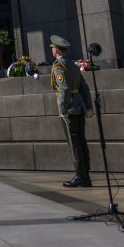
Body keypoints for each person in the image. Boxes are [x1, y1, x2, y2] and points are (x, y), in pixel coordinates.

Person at [50, 35, 93, 188]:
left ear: (56, 50)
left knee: (74, 143)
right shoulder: (73, 65)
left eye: (53, 48)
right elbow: (84, 88)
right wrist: (89, 107)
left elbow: (64, 89)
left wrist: (63, 111)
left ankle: (80, 175)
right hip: (80, 107)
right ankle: (86, 174)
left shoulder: (59, 66)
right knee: (81, 141)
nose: (52, 50)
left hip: (70, 109)